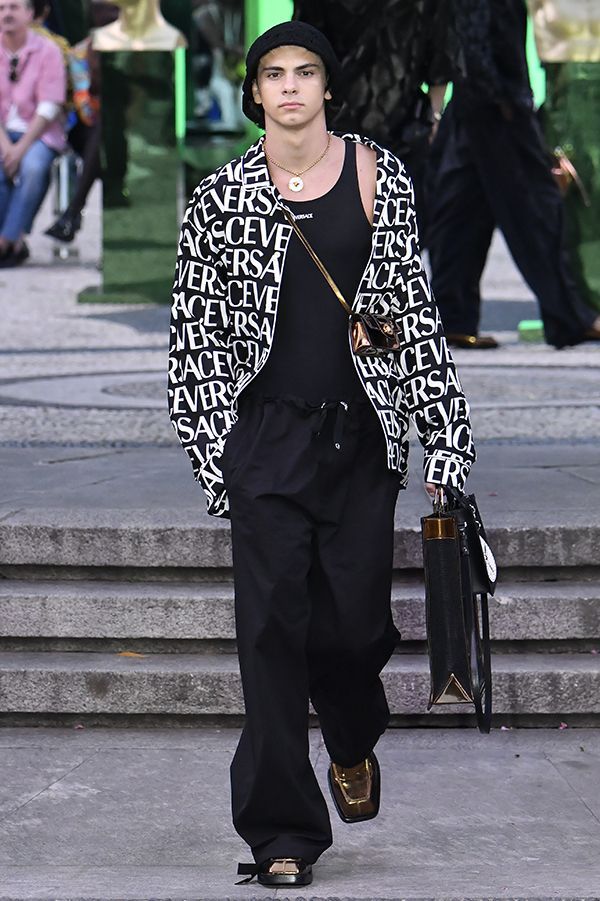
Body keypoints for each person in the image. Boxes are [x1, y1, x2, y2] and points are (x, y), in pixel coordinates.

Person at [169, 21, 476, 888]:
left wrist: (445, 437)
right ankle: (282, 833)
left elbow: (411, 315)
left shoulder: (380, 176)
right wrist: (219, 460)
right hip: (265, 439)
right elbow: (193, 339)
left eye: (306, 72)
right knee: (269, 633)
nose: (291, 86)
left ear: (328, 87)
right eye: (274, 74)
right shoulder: (220, 198)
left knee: (352, 629)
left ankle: (349, 735)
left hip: (360, 439)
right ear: (254, 92)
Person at [426, 0, 600, 349]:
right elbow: (476, 31)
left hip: (477, 98)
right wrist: (504, 98)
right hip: (497, 102)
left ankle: (454, 318)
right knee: (536, 211)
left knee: (462, 211)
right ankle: (570, 319)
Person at [293, 0, 457, 233]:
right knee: (395, 231)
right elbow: (440, 62)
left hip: (344, 127)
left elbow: (301, 51)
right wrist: (434, 117)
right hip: (397, 129)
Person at [529, 0, 600, 314]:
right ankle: (586, 299)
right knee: (582, 184)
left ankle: (584, 302)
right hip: (572, 51)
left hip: (571, 49)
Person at [0, 0, 66, 267]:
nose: (7, 14)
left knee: (34, 167)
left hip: (39, 134)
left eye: (13, 7)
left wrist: (20, 148)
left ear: (30, 14)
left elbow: (50, 105)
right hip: (3, 135)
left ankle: (7, 239)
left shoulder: (49, 50)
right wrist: (7, 147)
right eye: (1, 8)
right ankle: (12, 243)